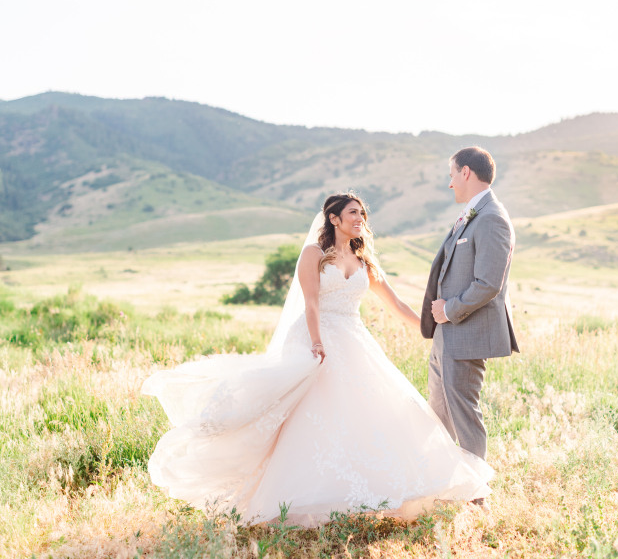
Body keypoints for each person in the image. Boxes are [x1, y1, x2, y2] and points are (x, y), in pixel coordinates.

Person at [142, 192, 493, 526]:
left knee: (365, 414)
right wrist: (316, 341)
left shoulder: (364, 261)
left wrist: (435, 327)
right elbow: (310, 302)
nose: (360, 219)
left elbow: (398, 305)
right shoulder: (313, 254)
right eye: (353, 212)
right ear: (334, 218)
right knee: (305, 412)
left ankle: (367, 492)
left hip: (353, 340)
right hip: (315, 337)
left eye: (362, 214)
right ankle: (297, 493)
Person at [420, 146, 520, 510]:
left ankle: (477, 498)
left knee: (464, 414)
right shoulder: (471, 214)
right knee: (440, 412)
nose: (449, 183)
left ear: (466, 172)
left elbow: (489, 282)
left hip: (466, 331)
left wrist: (450, 309)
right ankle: (447, 487)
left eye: (451, 174)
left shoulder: (492, 217)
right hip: (448, 333)